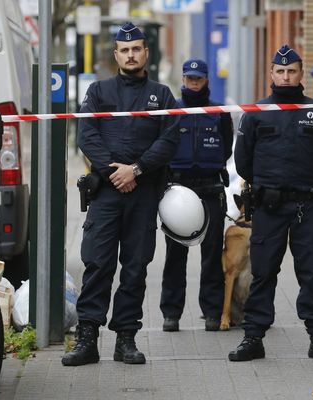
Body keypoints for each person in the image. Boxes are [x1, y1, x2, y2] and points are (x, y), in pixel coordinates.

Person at [62, 22, 180, 366]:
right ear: (117, 55)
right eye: (124, 50)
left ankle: (125, 338)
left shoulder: (163, 94)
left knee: (135, 268)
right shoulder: (99, 92)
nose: (131, 55)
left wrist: (137, 170)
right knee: (97, 264)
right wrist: (116, 173)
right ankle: (87, 338)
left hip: (144, 195)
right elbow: (86, 135)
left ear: (146, 52)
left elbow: (169, 140)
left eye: (137, 49)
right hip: (106, 194)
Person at [229, 44, 313, 362]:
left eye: (291, 71)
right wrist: (269, 185)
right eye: (280, 71)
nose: (285, 76)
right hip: (269, 207)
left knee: (311, 273)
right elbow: (243, 162)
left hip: (308, 206)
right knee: (263, 273)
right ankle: (253, 337)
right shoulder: (255, 113)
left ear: (299, 73)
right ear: (271, 74)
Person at [160, 59, 233, 332]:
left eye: (198, 78)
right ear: (182, 79)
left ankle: (212, 312)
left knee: (212, 254)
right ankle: (171, 313)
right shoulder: (172, 111)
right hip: (178, 191)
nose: (193, 82)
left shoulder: (218, 111)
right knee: (175, 254)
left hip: (210, 188)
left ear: (206, 80)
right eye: (189, 78)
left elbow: (226, 147)